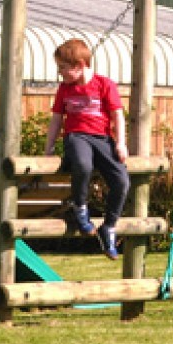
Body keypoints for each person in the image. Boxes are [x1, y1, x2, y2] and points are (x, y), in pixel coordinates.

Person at [43, 38, 130, 259]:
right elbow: (56, 119)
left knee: (121, 181)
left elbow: (117, 115)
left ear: (80, 65)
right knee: (82, 164)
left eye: (63, 68)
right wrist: (49, 146)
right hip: (76, 136)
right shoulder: (65, 88)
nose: (60, 72)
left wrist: (120, 143)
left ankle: (109, 226)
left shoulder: (104, 84)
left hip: (102, 138)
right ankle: (80, 207)